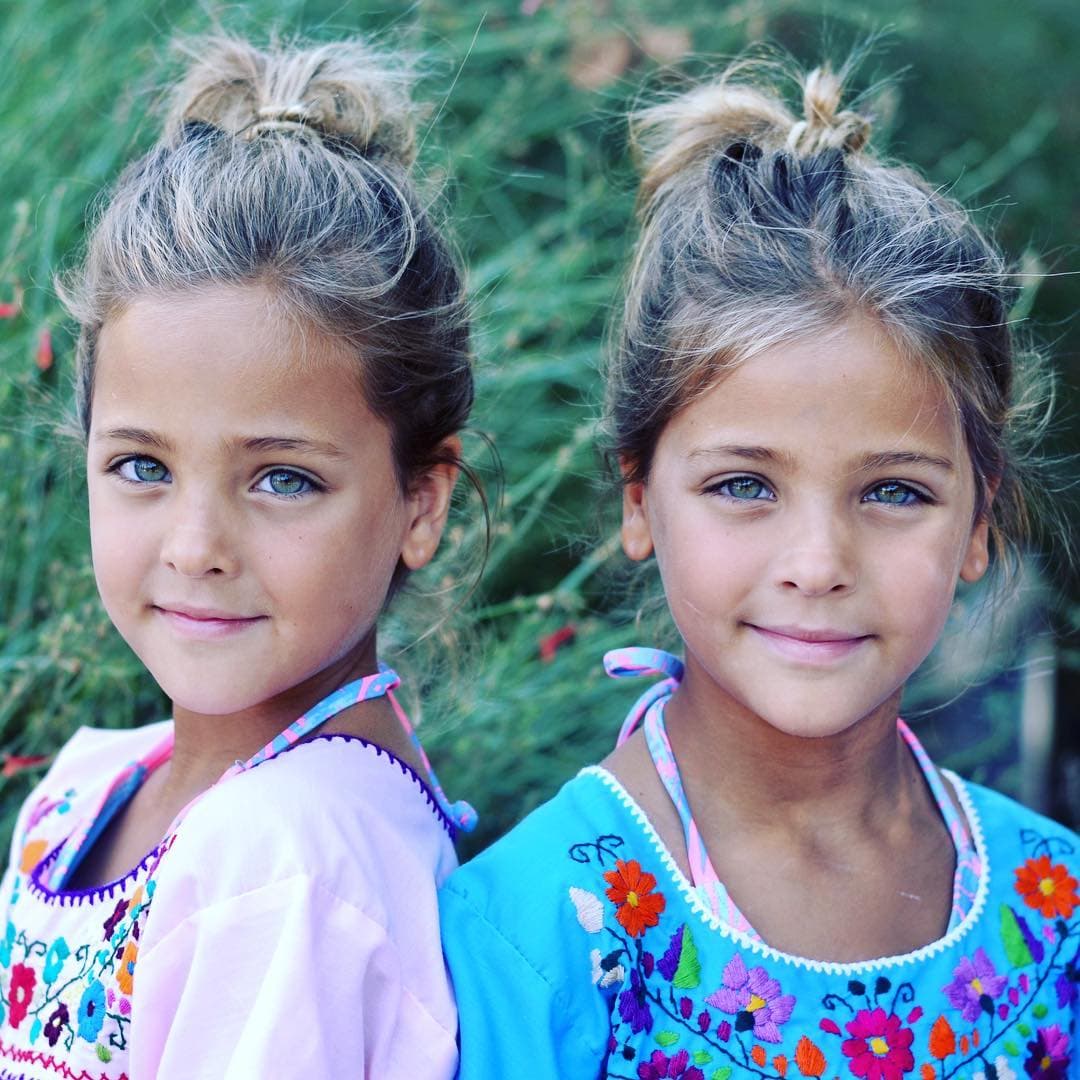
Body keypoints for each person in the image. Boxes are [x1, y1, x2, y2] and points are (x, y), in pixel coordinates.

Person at [440, 59, 1080, 1079]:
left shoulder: (1056, 910)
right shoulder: (538, 931)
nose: (818, 564)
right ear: (639, 500)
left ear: (979, 522)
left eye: (894, 492)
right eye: (744, 485)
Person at [0, 35, 478, 1078]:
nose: (196, 547)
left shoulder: (294, 860)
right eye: (141, 467)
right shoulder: (91, 788)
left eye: (282, 480)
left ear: (421, 502)